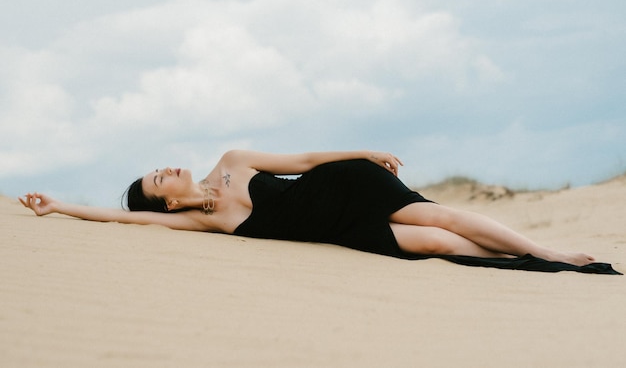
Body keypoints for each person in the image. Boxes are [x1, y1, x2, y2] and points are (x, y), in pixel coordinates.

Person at [19, 149, 611, 272]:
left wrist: (362, 152)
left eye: (161, 164)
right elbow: (126, 219)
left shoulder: (233, 159)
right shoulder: (198, 218)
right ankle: (531, 261)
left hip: (348, 187)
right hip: (340, 231)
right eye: (159, 176)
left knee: (439, 220)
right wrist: (59, 205)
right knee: (435, 247)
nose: (168, 165)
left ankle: (549, 251)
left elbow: (303, 159)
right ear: (167, 199)